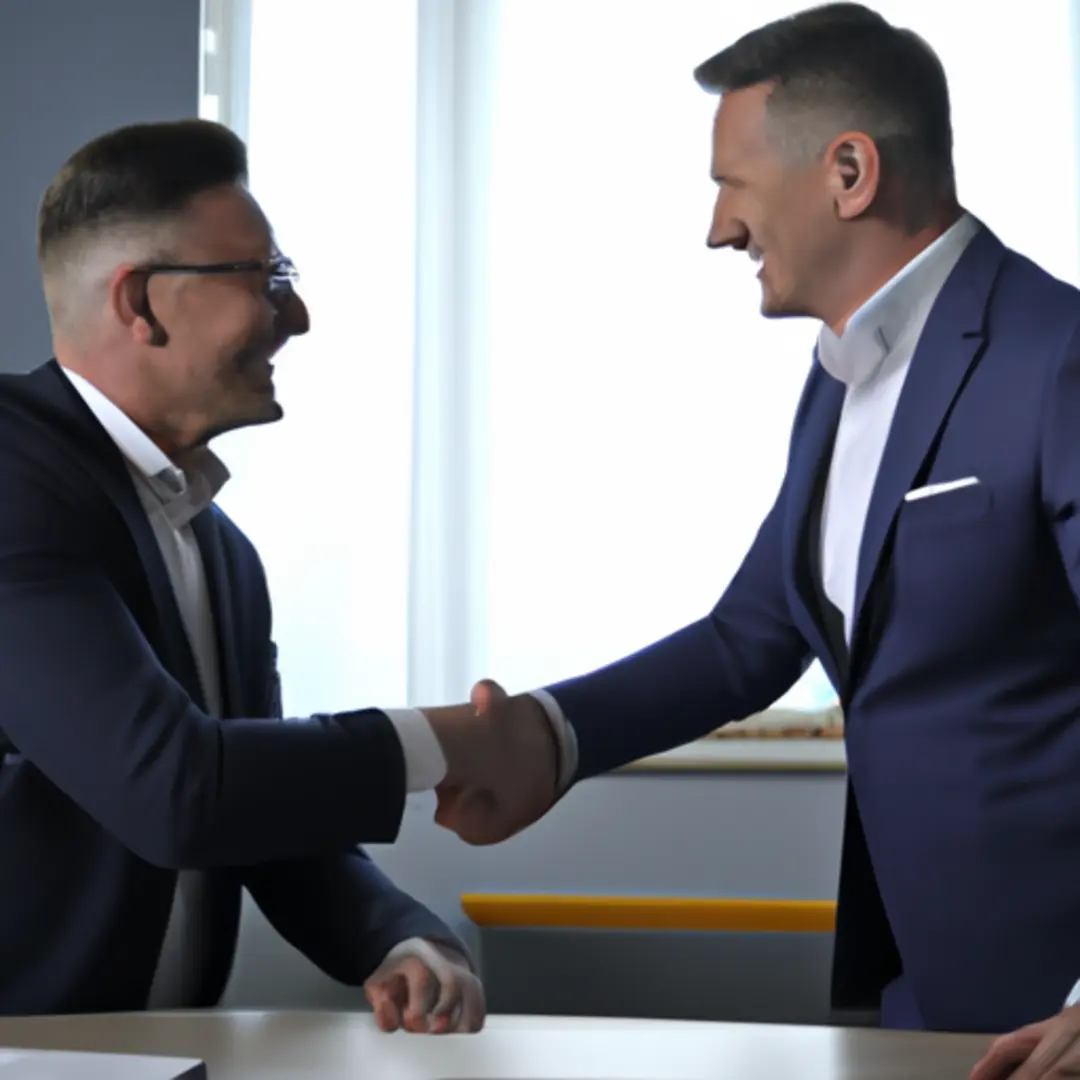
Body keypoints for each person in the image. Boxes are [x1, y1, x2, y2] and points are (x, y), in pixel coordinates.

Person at [415, 0, 1080, 1054]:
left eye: (731, 186)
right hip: (924, 999)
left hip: (1058, 1010)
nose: (718, 227)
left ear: (849, 173)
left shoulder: (1059, 355)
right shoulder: (836, 386)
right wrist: (547, 738)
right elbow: (752, 635)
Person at [0, 117, 524, 1032]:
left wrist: (402, 939)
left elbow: (258, 814)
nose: (299, 316)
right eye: (268, 279)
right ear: (142, 303)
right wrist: (451, 743)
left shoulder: (221, 549)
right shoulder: (8, 473)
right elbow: (175, 788)